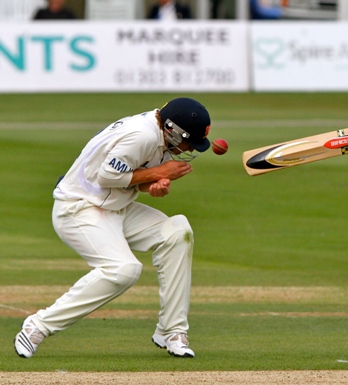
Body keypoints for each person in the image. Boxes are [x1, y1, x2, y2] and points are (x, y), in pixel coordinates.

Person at [14, 98, 212, 359]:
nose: (189, 149)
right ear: (174, 131)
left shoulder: (161, 132)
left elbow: (133, 179)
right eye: (190, 142)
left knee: (177, 232)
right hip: (79, 209)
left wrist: (154, 184)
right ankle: (37, 326)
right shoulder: (141, 135)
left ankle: (171, 330)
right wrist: (159, 172)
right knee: (124, 270)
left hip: (115, 207)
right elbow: (107, 177)